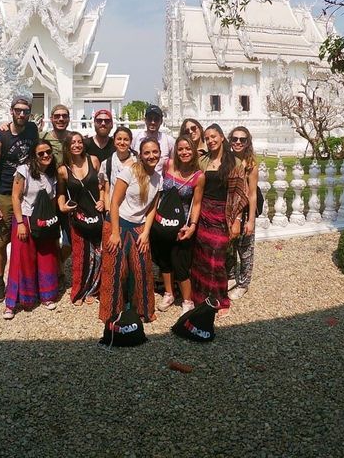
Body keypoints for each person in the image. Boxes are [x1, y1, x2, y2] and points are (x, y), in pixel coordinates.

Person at [99, 138, 162, 325]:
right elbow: (114, 202)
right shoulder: (129, 172)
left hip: (139, 226)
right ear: (140, 155)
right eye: (147, 152)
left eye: (155, 152)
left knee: (142, 269)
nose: (152, 156)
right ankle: (111, 312)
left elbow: (151, 208)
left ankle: (143, 310)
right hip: (117, 223)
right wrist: (115, 233)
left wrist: (146, 233)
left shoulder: (158, 178)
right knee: (115, 270)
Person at [191, 124, 248, 317]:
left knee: (217, 259)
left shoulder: (234, 163)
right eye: (207, 138)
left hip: (223, 214)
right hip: (204, 212)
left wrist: (237, 219)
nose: (210, 141)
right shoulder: (203, 161)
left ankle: (221, 300)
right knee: (202, 258)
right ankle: (201, 297)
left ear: (222, 137)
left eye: (213, 137)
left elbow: (241, 194)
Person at [0, 95, 40, 302]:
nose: (22, 114)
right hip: (6, 194)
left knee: (30, 238)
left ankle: (28, 280)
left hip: (29, 193)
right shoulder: (0, 138)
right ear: (11, 111)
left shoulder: (32, 129)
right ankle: (0, 281)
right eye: (18, 110)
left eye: (25, 111)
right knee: (1, 241)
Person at [3, 140, 60, 319]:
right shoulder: (24, 171)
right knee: (22, 260)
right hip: (26, 218)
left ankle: (47, 295)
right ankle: (13, 302)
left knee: (46, 257)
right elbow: (15, 196)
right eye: (40, 153)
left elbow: (52, 199)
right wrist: (20, 223)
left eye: (48, 152)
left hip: (44, 220)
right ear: (34, 156)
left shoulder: (52, 174)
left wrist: (53, 221)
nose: (45, 156)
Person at [151, 134, 204, 315]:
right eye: (180, 149)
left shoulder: (198, 176)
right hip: (162, 221)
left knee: (180, 263)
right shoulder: (168, 165)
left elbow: (196, 203)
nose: (184, 152)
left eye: (188, 149)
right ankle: (169, 293)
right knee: (165, 261)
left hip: (181, 224)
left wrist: (193, 225)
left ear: (194, 151)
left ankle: (187, 301)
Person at [57, 132, 104, 305]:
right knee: (80, 254)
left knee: (98, 254)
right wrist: (62, 206)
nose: (77, 145)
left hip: (96, 213)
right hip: (78, 215)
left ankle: (94, 289)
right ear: (67, 146)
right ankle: (80, 290)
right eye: (73, 143)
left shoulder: (93, 160)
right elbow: (61, 192)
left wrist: (102, 200)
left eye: (79, 142)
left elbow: (102, 185)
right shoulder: (63, 170)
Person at [226, 126, 258, 301]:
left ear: (247, 143)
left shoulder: (250, 164)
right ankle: (231, 277)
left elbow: (252, 194)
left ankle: (244, 284)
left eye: (242, 140)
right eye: (235, 139)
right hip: (228, 209)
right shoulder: (227, 160)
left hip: (244, 211)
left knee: (245, 250)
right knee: (229, 248)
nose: (238, 142)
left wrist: (250, 220)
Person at [98, 126, 137, 210]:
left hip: (133, 211)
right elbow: (107, 191)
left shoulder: (137, 162)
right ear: (114, 141)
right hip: (114, 210)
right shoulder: (106, 164)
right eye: (119, 139)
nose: (122, 143)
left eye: (126, 139)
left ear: (131, 141)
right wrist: (108, 212)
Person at [132, 105, 174, 174]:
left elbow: (173, 164)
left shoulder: (169, 141)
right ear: (145, 120)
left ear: (161, 121)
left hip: (159, 182)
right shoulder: (136, 138)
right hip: (139, 179)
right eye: (149, 119)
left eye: (156, 119)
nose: (153, 122)